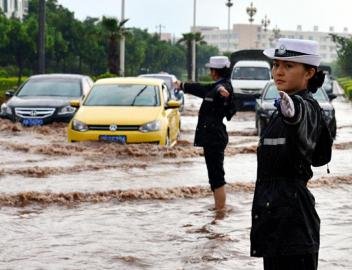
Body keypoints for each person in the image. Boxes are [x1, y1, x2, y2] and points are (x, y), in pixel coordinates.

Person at [250, 38, 327, 270]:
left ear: (309, 72)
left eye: (288, 66)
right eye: (276, 65)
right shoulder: (279, 109)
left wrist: (294, 113)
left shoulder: (305, 106)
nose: (278, 72)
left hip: (295, 228)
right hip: (275, 225)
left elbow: (303, 117)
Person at [174, 56, 236, 211]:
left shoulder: (224, 87)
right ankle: (218, 210)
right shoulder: (215, 86)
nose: (210, 72)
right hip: (212, 136)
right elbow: (202, 88)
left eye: (211, 70)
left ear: (215, 71)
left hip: (215, 137)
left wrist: (224, 93)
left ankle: (220, 211)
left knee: (216, 177)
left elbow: (225, 94)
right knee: (213, 176)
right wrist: (182, 85)